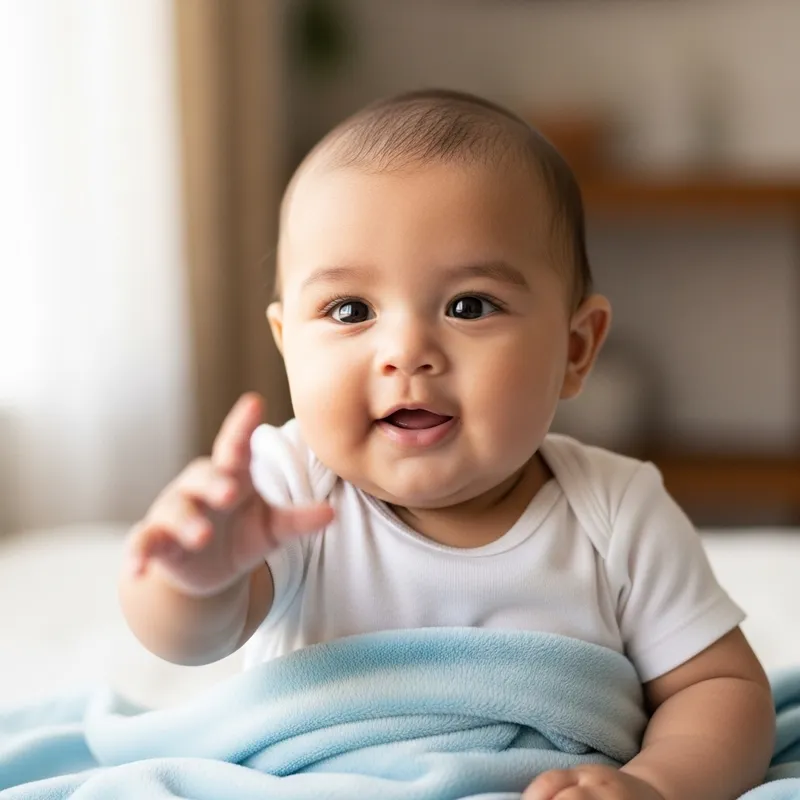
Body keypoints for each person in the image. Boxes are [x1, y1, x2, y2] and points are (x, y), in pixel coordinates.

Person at [119, 89, 775, 800]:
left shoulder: (616, 512)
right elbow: (188, 641)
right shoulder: (286, 489)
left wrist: (655, 784)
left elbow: (718, 688)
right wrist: (197, 578)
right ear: (288, 345)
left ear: (575, 349)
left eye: (469, 306)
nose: (406, 351)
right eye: (350, 310)